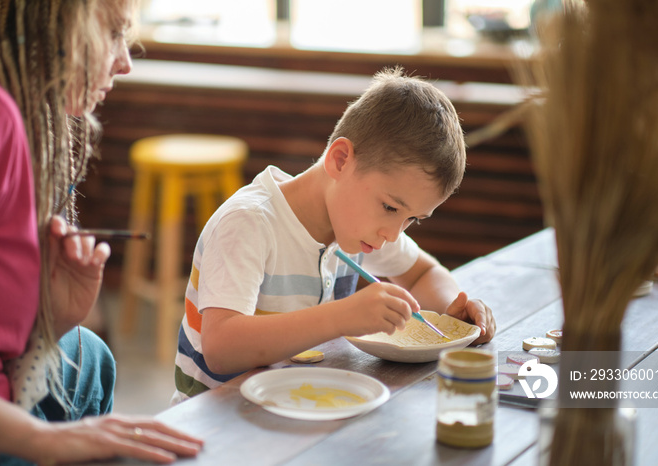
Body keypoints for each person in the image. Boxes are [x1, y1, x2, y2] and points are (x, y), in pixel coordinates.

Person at [174, 67, 497, 402]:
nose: (392, 234)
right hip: (218, 430)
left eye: (412, 219)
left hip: (298, 408)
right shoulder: (249, 223)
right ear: (341, 160)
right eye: (390, 208)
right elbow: (221, 348)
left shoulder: (356, 226)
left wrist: (452, 310)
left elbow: (422, 273)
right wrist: (341, 318)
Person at [0, 1, 202, 464]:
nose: (125, 62)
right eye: (112, 33)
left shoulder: (24, 120)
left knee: (91, 357)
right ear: (60, 24)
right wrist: (43, 440)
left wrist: (52, 318)